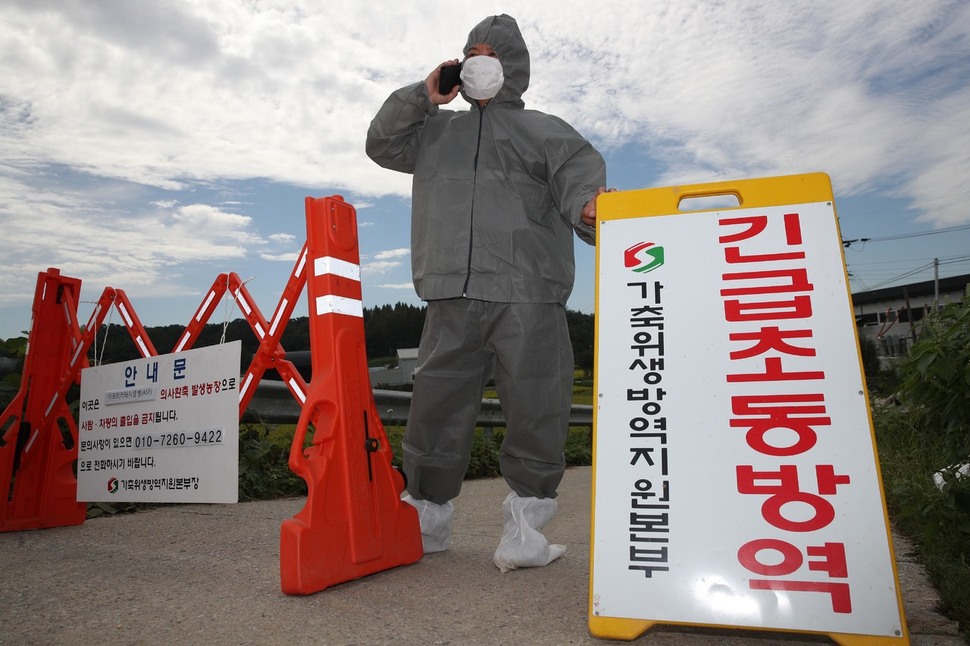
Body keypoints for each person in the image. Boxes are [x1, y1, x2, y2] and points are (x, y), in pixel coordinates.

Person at [365, 14, 610, 572]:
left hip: (528, 292)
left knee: (537, 407)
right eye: (472, 52)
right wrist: (422, 96)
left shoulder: (547, 131)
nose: (482, 62)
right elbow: (380, 144)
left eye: (493, 54)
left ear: (514, 67)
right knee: (435, 406)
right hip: (449, 291)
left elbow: (581, 183)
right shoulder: (433, 131)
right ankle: (425, 521)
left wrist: (591, 207)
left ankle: (526, 529)